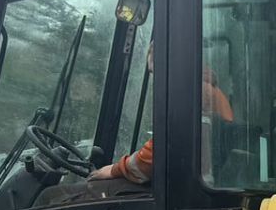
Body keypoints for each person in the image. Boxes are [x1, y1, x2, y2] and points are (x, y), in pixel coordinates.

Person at [90, 43, 232, 185]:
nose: (155, 78)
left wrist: (115, 169)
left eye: (155, 71)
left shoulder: (191, 92)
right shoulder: (207, 89)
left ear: (171, 63)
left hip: (190, 190)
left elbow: (159, 153)